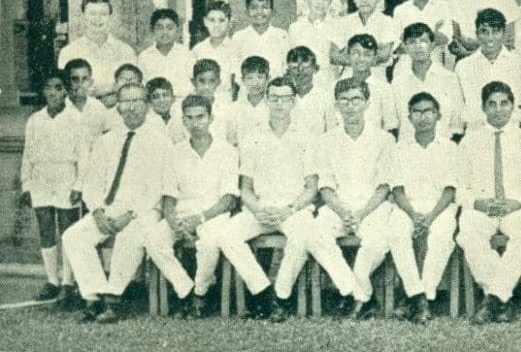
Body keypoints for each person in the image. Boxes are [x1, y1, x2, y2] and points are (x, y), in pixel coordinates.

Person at [63, 83, 173, 323]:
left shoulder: (160, 141)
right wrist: (97, 211)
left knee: (130, 235)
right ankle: (95, 297)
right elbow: (93, 183)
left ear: (147, 105)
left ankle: (113, 300)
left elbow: (156, 188)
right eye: (125, 101)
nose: (131, 107)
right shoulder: (106, 141)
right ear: (118, 106)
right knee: (73, 236)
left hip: (144, 210)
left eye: (137, 101)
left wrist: (130, 214)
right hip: (108, 208)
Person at [217, 77, 324, 322]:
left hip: (294, 209)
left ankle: (281, 296)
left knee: (302, 236)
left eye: (284, 98)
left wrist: (289, 209)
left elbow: (311, 188)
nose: (279, 104)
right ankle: (263, 292)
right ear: (267, 100)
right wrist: (257, 209)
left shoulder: (307, 138)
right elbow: (245, 188)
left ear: (293, 102)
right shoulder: (253, 137)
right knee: (228, 237)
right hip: (261, 209)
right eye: (274, 98)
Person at [142, 94, 238, 318]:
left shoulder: (227, 151)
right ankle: (186, 290)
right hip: (182, 214)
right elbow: (168, 197)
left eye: (200, 117)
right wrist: (174, 225)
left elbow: (229, 199)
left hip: (213, 214)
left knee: (210, 243)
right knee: (153, 239)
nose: (195, 123)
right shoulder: (174, 153)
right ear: (183, 121)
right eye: (190, 118)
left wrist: (200, 219)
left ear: (211, 119)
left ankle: (200, 294)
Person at [306, 78, 395, 319]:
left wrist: (361, 214)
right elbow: (325, 187)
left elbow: (384, 186)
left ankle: (355, 297)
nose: (350, 106)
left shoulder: (384, 139)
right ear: (336, 105)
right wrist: (344, 212)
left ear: (367, 103)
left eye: (356, 100)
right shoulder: (326, 141)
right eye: (344, 101)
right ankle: (358, 293)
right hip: (338, 208)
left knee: (376, 242)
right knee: (313, 235)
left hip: (373, 208)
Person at [457, 82, 521, 324]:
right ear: (483, 108)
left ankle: (492, 299)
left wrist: (517, 203)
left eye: (504, 103)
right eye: (492, 104)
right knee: (469, 235)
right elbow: (460, 187)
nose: (498, 109)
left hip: (516, 206)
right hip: (482, 207)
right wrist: (479, 204)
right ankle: (503, 299)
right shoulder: (469, 141)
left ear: (513, 106)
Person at [388, 92, 459, 324]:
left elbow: (450, 190)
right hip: (407, 207)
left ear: (438, 115)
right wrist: (413, 214)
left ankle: (421, 296)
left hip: (440, 208)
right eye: (417, 112)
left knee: (442, 237)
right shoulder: (399, 148)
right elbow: (397, 189)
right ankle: (418, 296)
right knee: (396, 233)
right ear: (409, 117)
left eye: (428, 111)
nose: (423, 116)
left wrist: (430, 218)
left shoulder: (450, 148)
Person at [19, 70, 86, 302]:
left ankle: (67, 281)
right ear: (43, 91)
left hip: (66, 177)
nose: (53, 93)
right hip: (41, 178)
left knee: (68, 231)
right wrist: (26, 183)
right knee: (46, 229)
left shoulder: (76, 118)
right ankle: (52, 281)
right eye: (48, 87)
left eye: (58, 88)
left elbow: (83, 156)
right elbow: (28, 154)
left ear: (66, 90)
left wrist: (79, 184)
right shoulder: (35, 120)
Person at [455, 9, 521, 131]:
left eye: (495, 31)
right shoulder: (463, 67)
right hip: (475, 133)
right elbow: (458, 109)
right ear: (476, 34)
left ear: (504, 33)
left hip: (512, 133)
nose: (490, 38)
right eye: (484, 32)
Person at [58, 0, 137, 99]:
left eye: (103, 14)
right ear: (83, 16)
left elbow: (132, 90)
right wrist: (112, 88)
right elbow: (65, 92)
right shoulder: (69, 52)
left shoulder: (126, 51)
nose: (97, 19)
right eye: (92, 13)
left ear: (110, 17)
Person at [392, 23, 465, 140]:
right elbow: (395, 123)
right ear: (405, 47)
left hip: (443, 146)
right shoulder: (397, 83)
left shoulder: (449, 79)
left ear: (432, 45)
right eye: (412, 42)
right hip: (407, 147)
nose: (418, 46)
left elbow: (457, 123)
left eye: (423, 41)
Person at [330, 0, 400, 74]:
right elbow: (334, 56)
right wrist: (371, 54)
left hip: (376, 76)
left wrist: (350, 54)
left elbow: (384, 55)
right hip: (348, 75)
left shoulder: (387, 22)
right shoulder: (343, 22)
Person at [393, 0, 451, 71]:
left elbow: (445, 39)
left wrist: (410, 40)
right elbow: (397, 45)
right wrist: (432, 34)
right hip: (406, 65)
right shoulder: (400, 10)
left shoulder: (443, 7)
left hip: (434, 64)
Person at [343, 35, 399, 133]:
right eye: (356, 53)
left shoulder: (384, 88)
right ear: (348, 56)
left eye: (367, 54)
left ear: (374, 59)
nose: (361, 59)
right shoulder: (337, 87)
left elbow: (391, 125)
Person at [232, 0, 290, 79]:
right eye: (254, 8)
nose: (259, 11)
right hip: (246, 86)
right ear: (247, 12)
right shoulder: (239, 37)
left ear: (272, 12)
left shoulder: (282, 35)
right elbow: (234, 69)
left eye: (265, 7)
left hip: (275, 86)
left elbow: (286, 67)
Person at [289, 0, 338, 79]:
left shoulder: (338, 26)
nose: (320, 2)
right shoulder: (295, 28)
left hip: (330, 84)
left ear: (330, 1)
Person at [62, 58, 118, 145]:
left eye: (84, 79)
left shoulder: (98, 108)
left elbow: (108, 138)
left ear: (91, 82)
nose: (80, 84)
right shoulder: (60, 108)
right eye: (75, 79)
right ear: (67, 81)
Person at [137, 9, 193, 95]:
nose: (165, 32)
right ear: (152, 30)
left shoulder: (187, 55)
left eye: (170, 28)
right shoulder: (144, 57)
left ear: (177, 29)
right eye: (160, 28)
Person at [192, 0, 239, 102]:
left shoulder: (235, 49)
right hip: (202, 102)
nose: (216, 25)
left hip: (226, 102)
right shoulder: (198, 49)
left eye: (222, 20)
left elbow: (236, 85)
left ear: (229, 22)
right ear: (205, 21)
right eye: (212, 20)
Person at [284, 46, 337, 135]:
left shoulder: (325, 97)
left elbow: (332, 129)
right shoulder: (284, 96)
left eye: (306, 67)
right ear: (288, 71)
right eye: (295, 68)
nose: (300, 71)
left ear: (316, 68)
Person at [224, 56, 270, 146]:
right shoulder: (234, 109)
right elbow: (231, 142)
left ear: (268, 79)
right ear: (243, 80)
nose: (255, 83)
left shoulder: (272, 106)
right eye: (250, 78)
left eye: (260, 77)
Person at [190, 59, 232, 143]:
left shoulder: (226, 108)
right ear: (194, 82)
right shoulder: (186, 107)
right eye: (202, 81)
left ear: (218, 83)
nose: (206, 87)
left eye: (212, 81)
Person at [145, 77, 186, 144]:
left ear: (173, 98)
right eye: (156, 97)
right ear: (150, 101)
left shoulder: (180, 119)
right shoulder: (146, 123)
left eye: (166, 95)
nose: (162, 100)